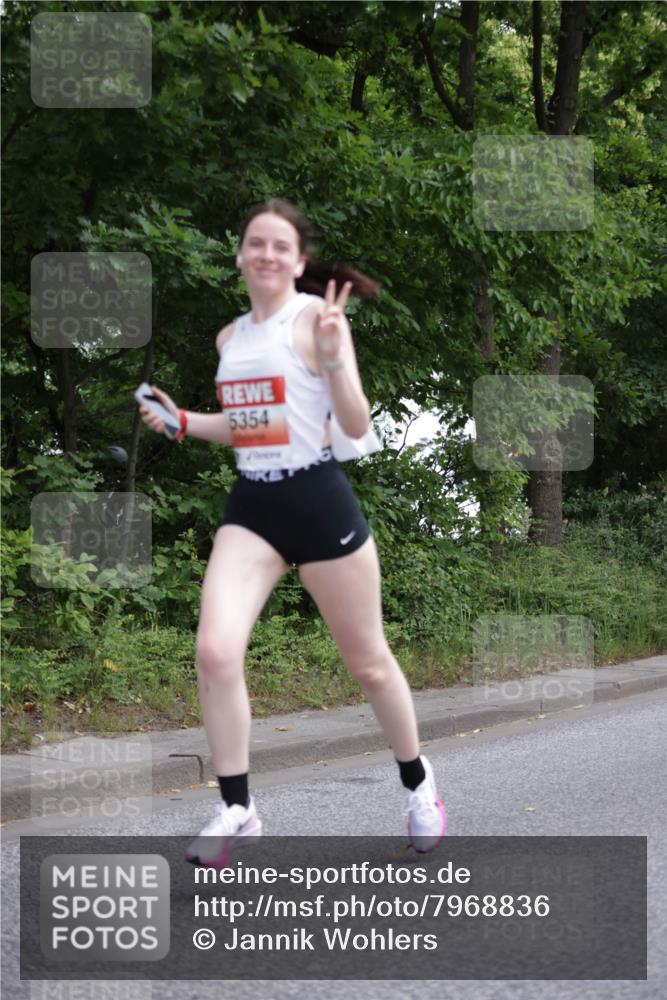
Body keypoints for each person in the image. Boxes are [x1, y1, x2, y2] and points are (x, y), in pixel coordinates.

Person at [139, 198, 446, 864]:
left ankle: (418, 785)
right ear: (241, 255)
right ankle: (237, 808)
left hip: (318, 499)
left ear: (298, 261)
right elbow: (253, 427)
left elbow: (357, 427)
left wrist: (335, 359)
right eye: (256, 243)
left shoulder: (315, 321)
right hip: (254, 505)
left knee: (367, 662)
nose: (267, 254)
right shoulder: (230, 338)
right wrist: (185, 420)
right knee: (216, 652)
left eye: (281, 246)